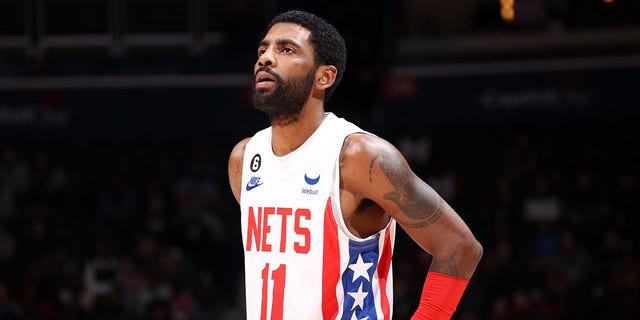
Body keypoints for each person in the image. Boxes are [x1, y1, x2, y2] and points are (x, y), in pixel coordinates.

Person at [227, 9, 482, 320]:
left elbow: (459, 246)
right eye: (263, 49)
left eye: (286, 49)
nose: (265, 58)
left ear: (324, 76)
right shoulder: (244, 160)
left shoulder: (358, 156)